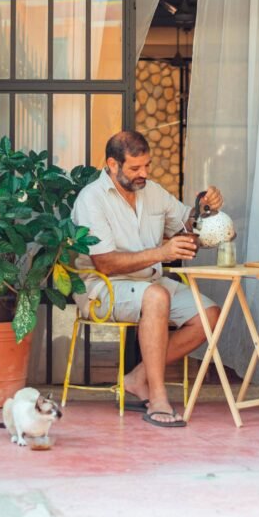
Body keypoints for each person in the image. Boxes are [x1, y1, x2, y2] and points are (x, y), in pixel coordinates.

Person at [72, 130, 222, 428]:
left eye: (147, 166)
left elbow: (187, 223)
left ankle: (137, 378)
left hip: (149, 281)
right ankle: (157, 397)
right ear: (112, 165)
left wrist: (206, 208)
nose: (144, 174)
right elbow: (105, 262)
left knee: (209, 315)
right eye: (135, 168)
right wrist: (161, 252)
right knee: (156, 296)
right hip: (103, 287)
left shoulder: (151, 191)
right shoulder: (92, 199)